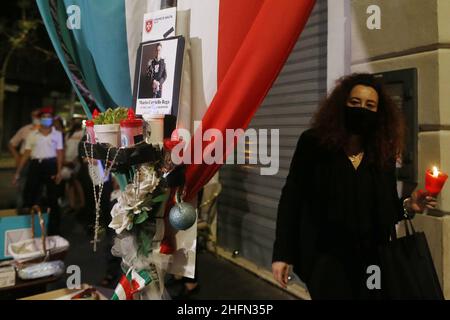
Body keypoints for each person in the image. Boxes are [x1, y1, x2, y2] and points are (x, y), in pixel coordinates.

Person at [271, 73, 437, 300]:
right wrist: (282, 254)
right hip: (325, 259)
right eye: (355, 102)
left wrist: (409, 205)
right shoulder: (313, 143)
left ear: (379, 113)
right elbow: (292, 199)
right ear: (342, 104)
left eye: (370, 105)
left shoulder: (382, 153)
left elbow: (384, 209)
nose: (362, 109)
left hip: (371, 260)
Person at [13, 106, 64, 235]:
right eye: (44, 117)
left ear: (52, 119)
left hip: (51, 164)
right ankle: (31, 227)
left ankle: (53, 229)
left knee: (53, 197)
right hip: (35, 165)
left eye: (49, 117)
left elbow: (59, 153)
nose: (46, 119)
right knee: (30, 195)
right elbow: (26, 154)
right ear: (40, 119)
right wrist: (18, 173)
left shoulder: (57, 134)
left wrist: (59, 171)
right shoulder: (32, 134)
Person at [8, 108, 41, 211]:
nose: (35, 118)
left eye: (38, 116)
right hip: (25, 161)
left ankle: (35, 209)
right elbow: (12, 144)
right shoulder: (26, 129)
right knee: (22, 186)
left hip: (39, 161)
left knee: (37, 187)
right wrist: (17, 156)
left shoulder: (47, 130)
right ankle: (21, 209)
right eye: (34, 116)